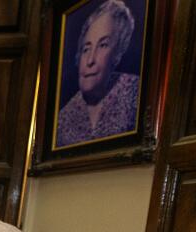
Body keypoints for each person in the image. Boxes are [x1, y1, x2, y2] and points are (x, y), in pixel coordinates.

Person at [56, 0, 139, 147]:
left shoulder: (135, 92)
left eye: (103, 45)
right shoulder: (63, 119)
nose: (90, 60)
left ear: (117, 54)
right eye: (86, 48)